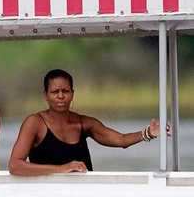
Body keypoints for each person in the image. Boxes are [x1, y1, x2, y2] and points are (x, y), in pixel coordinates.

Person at [9, 68, 166, 176]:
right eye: (55, 92)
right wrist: (62, 169)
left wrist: (149, 133)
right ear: (45, 95)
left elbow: (121, 140)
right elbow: (15, 165)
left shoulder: (84, 123)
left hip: (84, 196)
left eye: (65, 91)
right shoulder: (35, 123)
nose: (61, 96)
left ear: (72, 94)